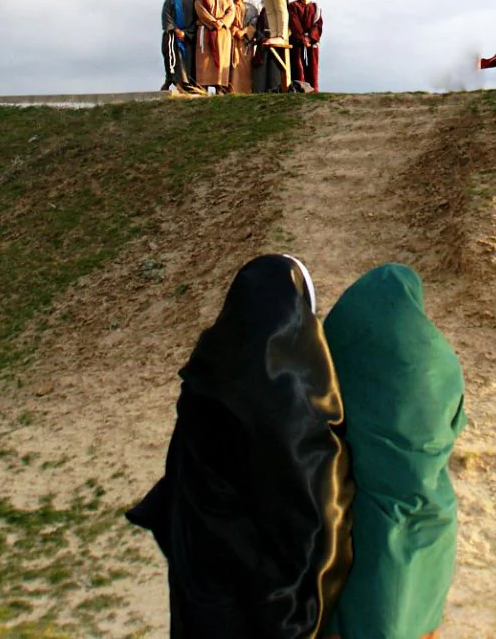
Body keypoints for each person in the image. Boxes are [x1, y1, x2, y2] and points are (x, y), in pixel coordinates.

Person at [127, 254, 353, 638]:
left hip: (202, 596)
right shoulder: (299, 406)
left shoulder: (203, 381)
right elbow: (320, 523)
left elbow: (182, 484)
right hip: (269, 613)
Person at [322, 264, 465, 639]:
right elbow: (455, 422)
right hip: (431, 519)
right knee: (419, 619)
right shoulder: (437, 357)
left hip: (364, 525)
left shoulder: (342, 350)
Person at [193, 0, 235, 94]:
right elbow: (200, 10)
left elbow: (231, 12)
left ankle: (220, 90)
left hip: (222, 35)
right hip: (206, 32)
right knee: (204, 63)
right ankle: (202, 91)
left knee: (221, 62)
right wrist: (213, 22)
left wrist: (221, 23)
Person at [161, 0, 197, 94]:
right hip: (171, 36)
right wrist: (175, 30)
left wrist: (185, 34)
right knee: (171, 60)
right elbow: (166, 15)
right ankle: (169, 80)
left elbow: (194, 23)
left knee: (185, 63)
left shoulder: (192, 3)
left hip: (185, 38)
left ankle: (183, 85)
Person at [289, 0, 324, 92]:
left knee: (313, 67)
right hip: (297, 42)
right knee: (298, 67)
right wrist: (302, 38)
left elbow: (318, 24)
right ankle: (300, 90)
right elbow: (294, 22)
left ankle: (313, 90)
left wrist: (310, 38)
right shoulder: (293, 6)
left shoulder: (315, 7)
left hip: (312, 42)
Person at [229, 0, 259, 95]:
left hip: (246, 44)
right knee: (231, 68)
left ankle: (246, 92)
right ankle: (230, 91)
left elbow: (255, 24)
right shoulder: (228, 5)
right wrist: (234, 30)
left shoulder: (252, 8)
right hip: (231, 42)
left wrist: (245, 31)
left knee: (245, 69)